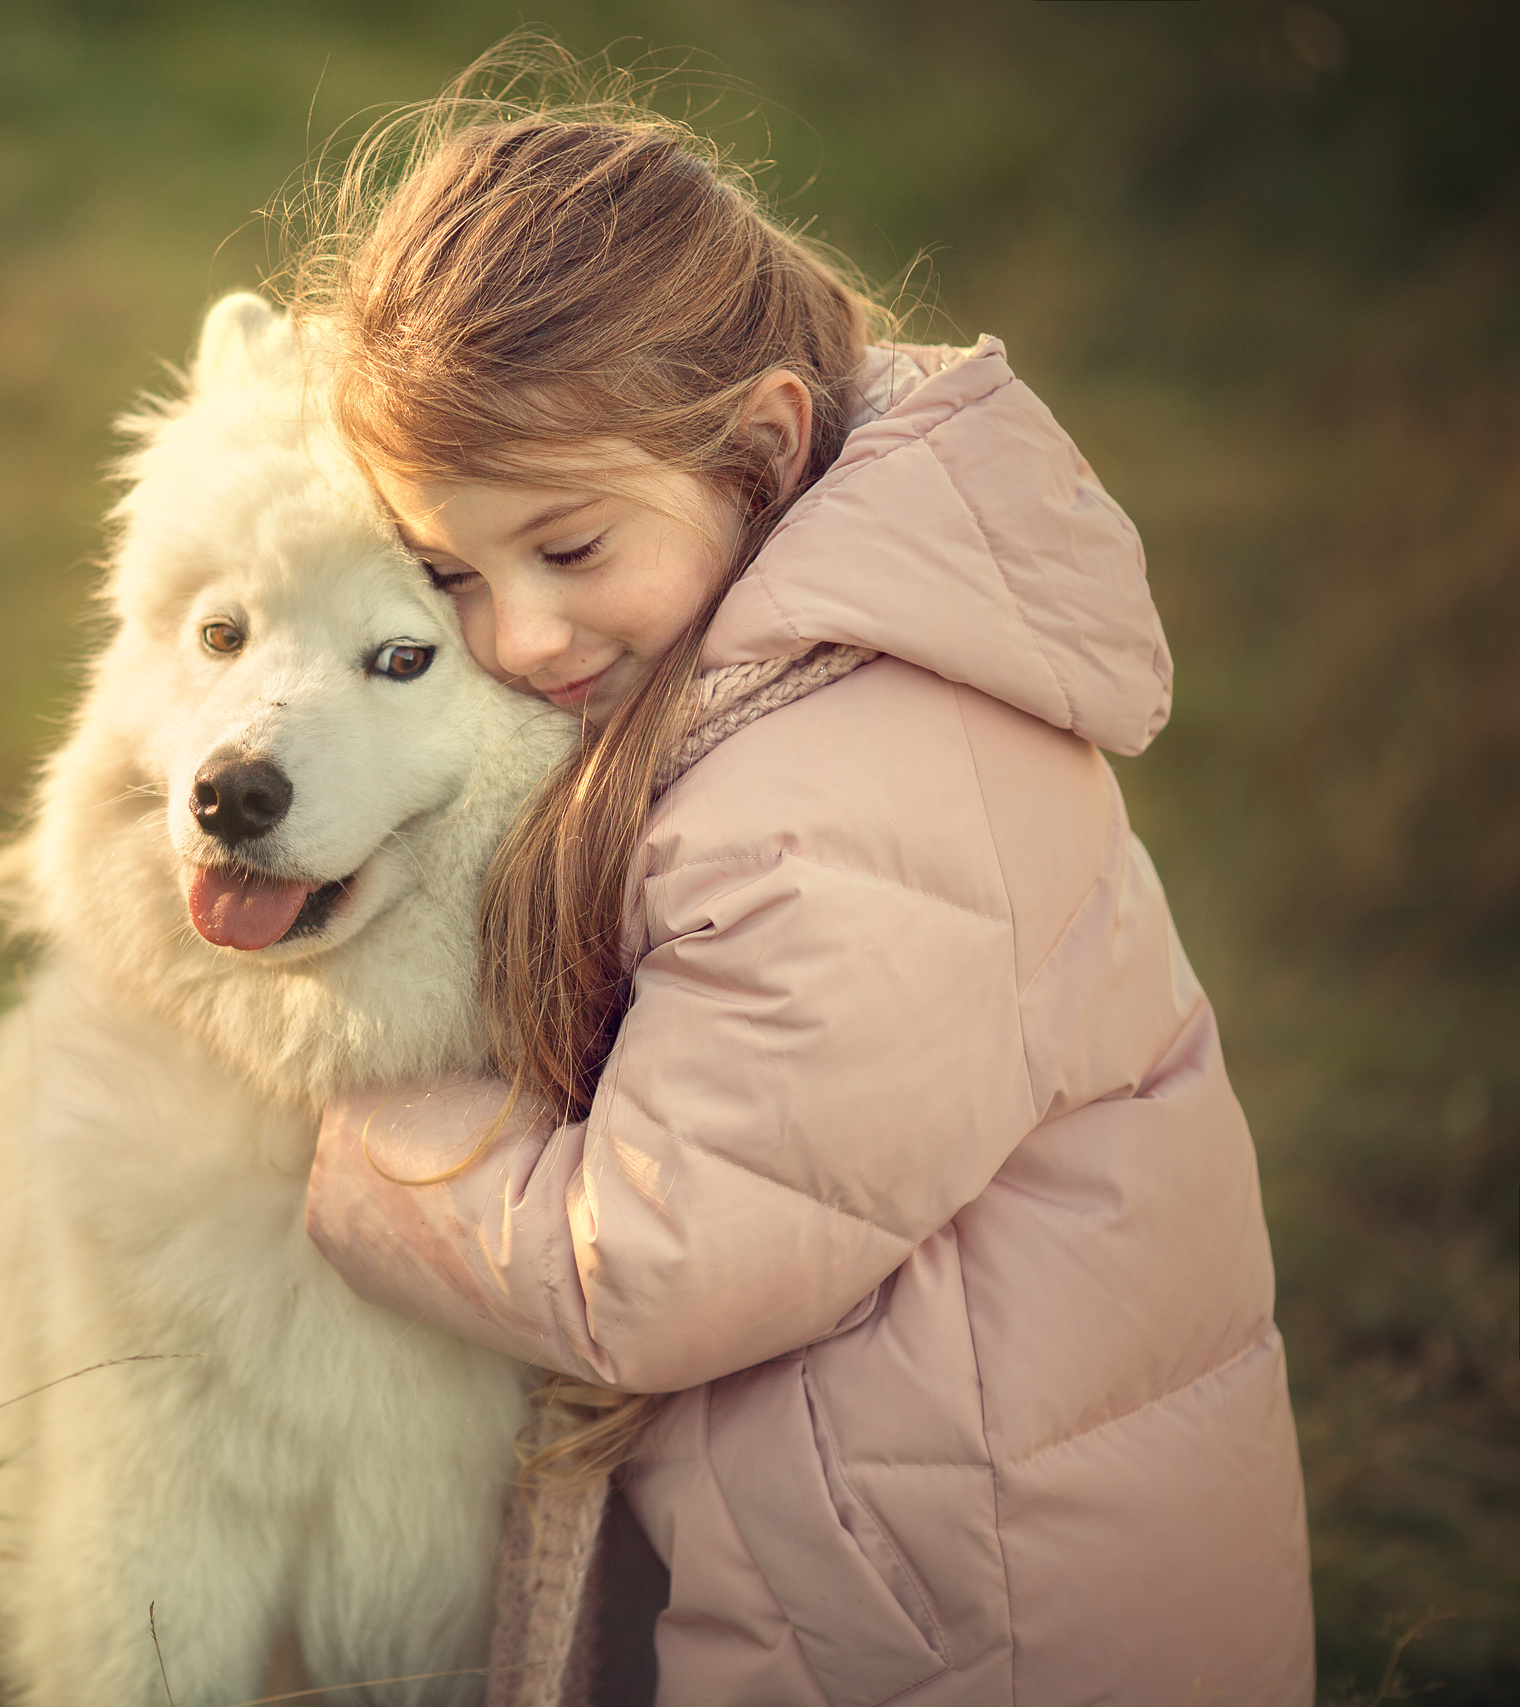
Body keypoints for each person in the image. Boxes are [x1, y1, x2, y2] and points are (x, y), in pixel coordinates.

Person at [293, 77, 1316, 1707]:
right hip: (921, 1544)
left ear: (763, 446)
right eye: (454, 577)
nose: (524, 639)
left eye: (569, 549)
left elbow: (648, 1265)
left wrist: (356, 1142)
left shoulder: (835, 804)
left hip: (991, 1617)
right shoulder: (814, 680)